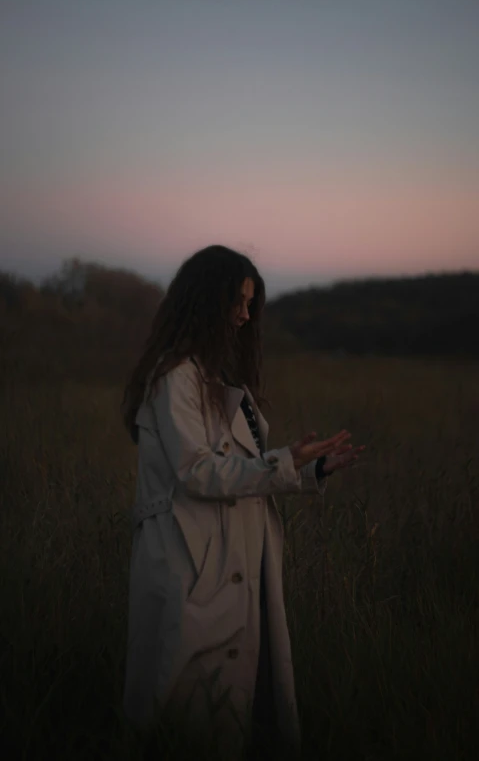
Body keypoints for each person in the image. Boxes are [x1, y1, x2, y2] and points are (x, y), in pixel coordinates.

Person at [121, 245, 365, 758]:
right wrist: (284, 460)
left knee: (230, 707)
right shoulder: (175, 378)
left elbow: (242, 474)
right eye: (238, 300)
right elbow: (199, 472)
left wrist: (308, 467)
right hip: (191, 558)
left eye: (251, 303)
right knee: (184, 713)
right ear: (208, 298)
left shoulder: (215, 378)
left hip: (230, 556)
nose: (244, 314)